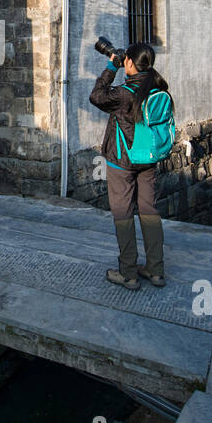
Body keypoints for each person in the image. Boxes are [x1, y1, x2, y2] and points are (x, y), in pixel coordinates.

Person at [89, 42, 170, 290]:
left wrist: (110, 67)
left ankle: (128, 273)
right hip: (149, 158)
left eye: (126, 60)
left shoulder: (125, 92)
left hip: (123, 160)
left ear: (131, 63)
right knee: (149, 210)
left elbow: (96, 97)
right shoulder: (158, 87)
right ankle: (155, 270)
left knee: (123, 214)